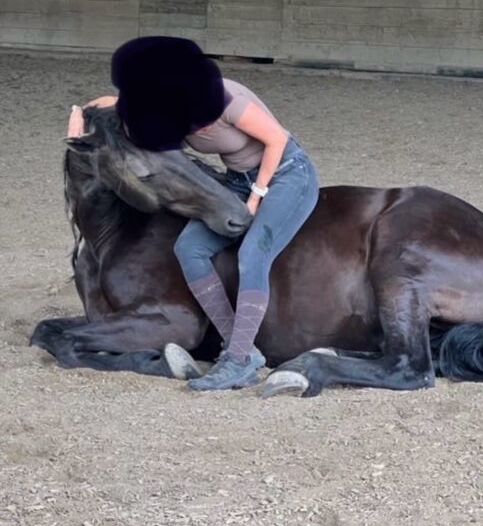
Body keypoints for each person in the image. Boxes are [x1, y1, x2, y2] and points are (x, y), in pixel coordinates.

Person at [67, 36, 319, 390]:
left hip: (285, 173)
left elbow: (276, 139)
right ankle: (242, 348)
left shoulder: (227, 98)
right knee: (189, 248)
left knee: (253, 252)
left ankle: (237, 362)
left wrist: (256, 197)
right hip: (238, 178)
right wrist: (87, 118)